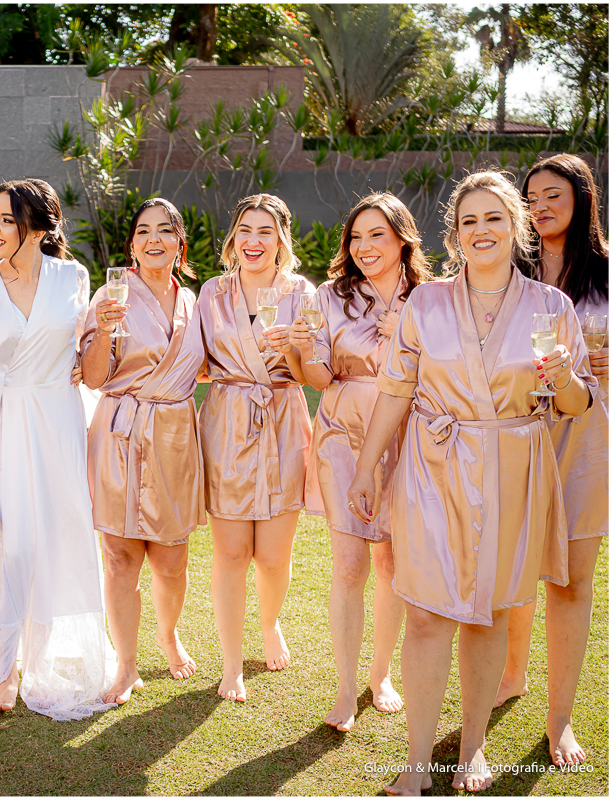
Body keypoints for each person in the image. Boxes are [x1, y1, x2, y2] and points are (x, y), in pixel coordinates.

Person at [346, 171, 595, 794]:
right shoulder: (425, 304)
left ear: (516, 225)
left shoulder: (552, 307)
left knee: (487, 615)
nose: (481, 230)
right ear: (455, 235)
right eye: (468, 221)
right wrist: (367, 467)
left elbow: (575, 405)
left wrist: (563, 378)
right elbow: (395, 390)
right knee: (428, 616)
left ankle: (474, 746)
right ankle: (417, 761)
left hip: (512, 467)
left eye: (493, 218)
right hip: (432, 468)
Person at [0, 178, 116, 720]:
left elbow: (84, 356)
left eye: (8, 219)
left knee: (55, 536)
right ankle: (5, 670)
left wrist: (90, 349)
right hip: (6, 420)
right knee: (10, 542)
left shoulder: (74, 277)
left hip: (59, 419)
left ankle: (41, 661)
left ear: (39, 228)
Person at [287, 193, 429, 730]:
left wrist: (407, 338)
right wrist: (303, 349)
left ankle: (380, 673)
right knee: (349, 565)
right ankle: (346, 688)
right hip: (343, 435)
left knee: (391, 564)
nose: (364, 247)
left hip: (408, 433)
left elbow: (450, 370)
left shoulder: (429, 297)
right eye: (356, 237)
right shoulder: (330, 296)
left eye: (377, 235)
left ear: (402, 239)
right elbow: (319, 378)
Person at [494, 154, 609, 766]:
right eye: (531, 197)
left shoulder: (607, 273)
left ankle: (559, 718)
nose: (539, 206)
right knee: (513, 568)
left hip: (589, 437)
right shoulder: (510, 272)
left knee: (571, 581)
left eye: (552, 195)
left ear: (581, 198)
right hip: (520, 432)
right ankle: (511, 676)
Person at [79, 198, 205, 705]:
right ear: (132, 245)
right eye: (144, 231)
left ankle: (168, 634)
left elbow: (207, 364)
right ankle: (126, 665)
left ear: (179, 244)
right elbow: (92, 377)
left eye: (165, 230)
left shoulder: (194, 301)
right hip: (119, 433)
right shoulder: (110, 296)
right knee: (119, 558)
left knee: (172, 561)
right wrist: (104, 330)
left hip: (173, 436)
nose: (154, 239)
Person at [195, 193, 315, 702]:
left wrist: (293, 349)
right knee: (231, 553)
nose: (254, 241)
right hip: (227, 425)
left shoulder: (302, 293)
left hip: (283, 421)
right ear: (233, 237)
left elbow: (310, 375)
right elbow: (197, 363)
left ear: (281, 240)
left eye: (266, 231)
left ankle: (269, 624)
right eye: (245, 229)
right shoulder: (212, 292)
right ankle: (230, 664)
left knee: (271, 556)